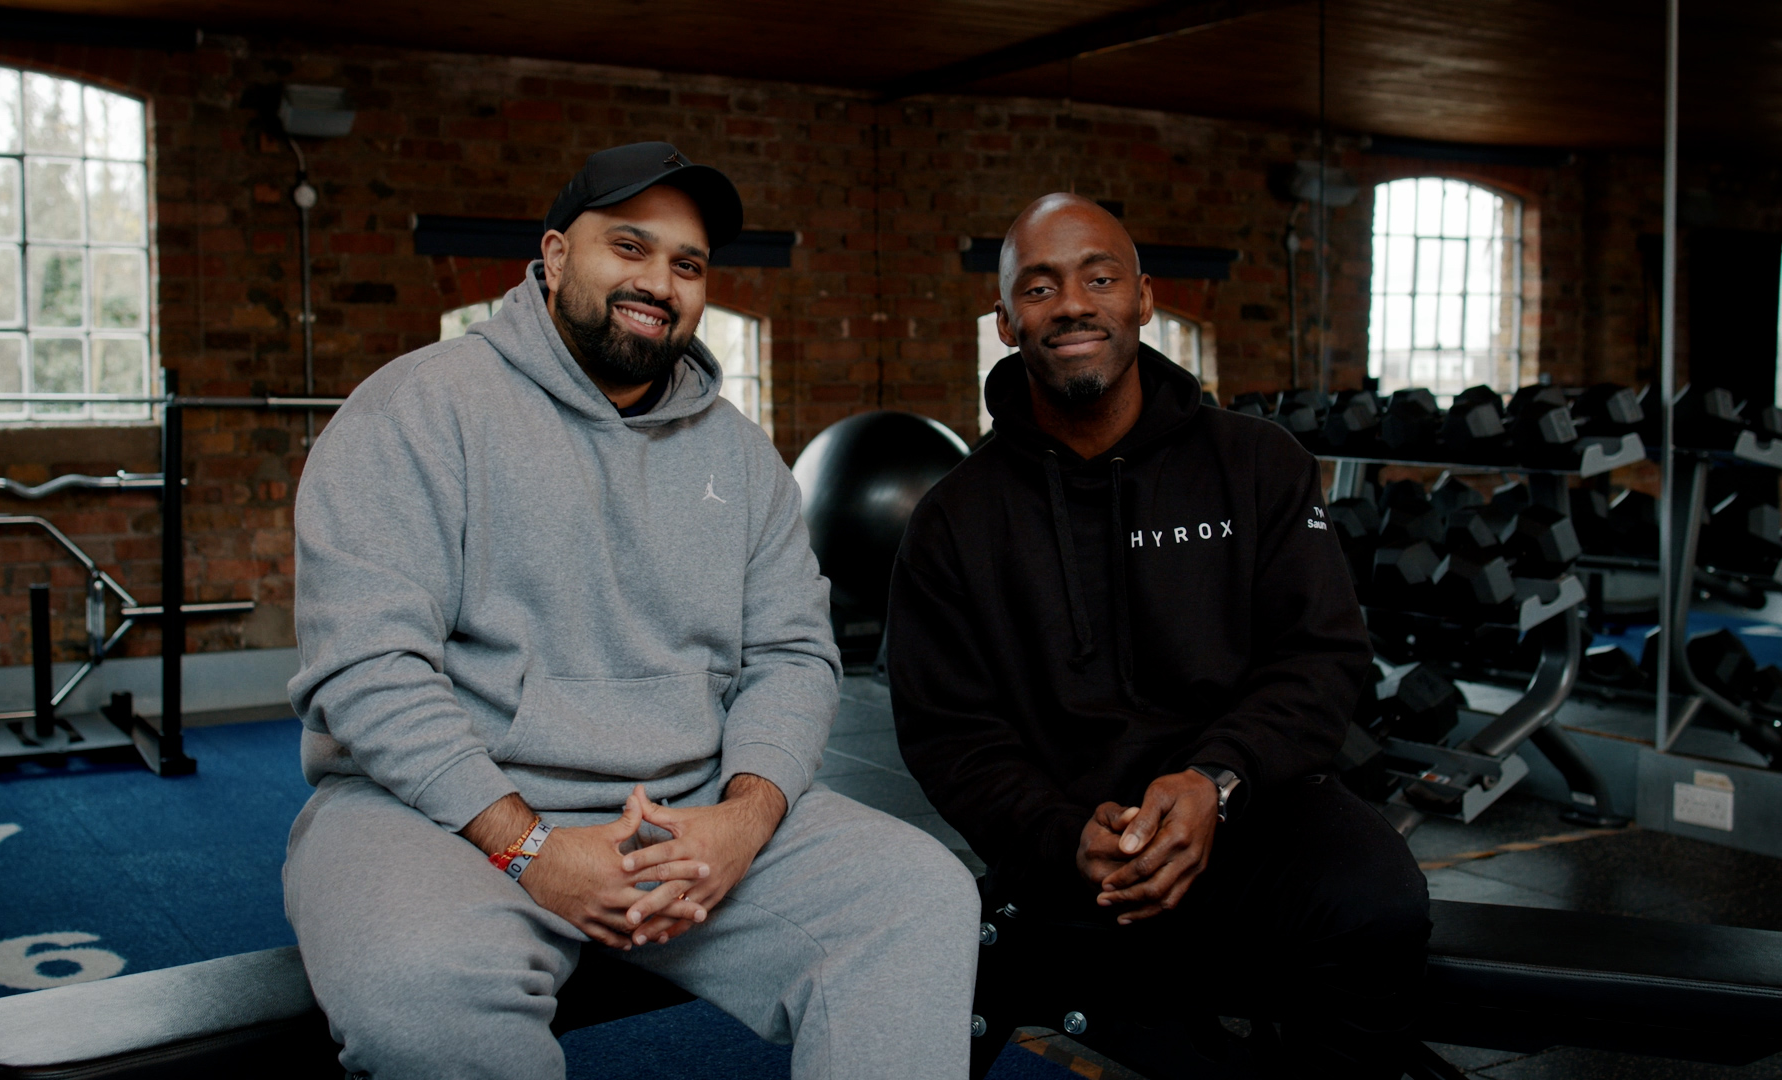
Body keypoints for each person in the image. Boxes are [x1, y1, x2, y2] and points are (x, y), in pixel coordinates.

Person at [285, 142, 979, 1080]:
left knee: (918, 898)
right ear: (556, 255)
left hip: (689, 814)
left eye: (686, 264)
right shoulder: (415, 409)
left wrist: (744, 818)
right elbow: (368, 669)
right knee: (421, 987)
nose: (659, 281)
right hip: (444, 812)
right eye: (629, 247)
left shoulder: (739, 456)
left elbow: (793, 654)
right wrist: (526, 844)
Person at [887, 193, 1429, 1078]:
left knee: (1380, 902)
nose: (1071, 304)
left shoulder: (1259, 465)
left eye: (1098, 278)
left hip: (1250, 807)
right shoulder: (953, 519)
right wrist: (1063, 835)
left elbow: (1320, 658)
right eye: (1039, 286)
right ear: (1003, 320)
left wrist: (1217, 783)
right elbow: (951, 734)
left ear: (1144, 297)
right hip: (1074, 843)